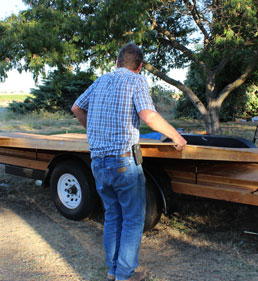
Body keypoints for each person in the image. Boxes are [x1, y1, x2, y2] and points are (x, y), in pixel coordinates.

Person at [72, 43, 187, 281]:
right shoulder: (137, 81)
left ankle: (114, 272)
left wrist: (92, 130)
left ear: (117, 62)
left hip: (98, 162)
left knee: (113, 216)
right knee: (133, 219)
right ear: (140, 66)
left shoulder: (100, 81)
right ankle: (125, 275)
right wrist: (176, 136)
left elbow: (77, 108)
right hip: (123, 162)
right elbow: (148, 115)